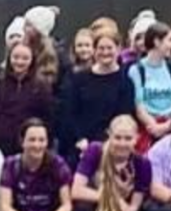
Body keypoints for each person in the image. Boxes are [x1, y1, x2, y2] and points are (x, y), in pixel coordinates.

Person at [56, 34, 134, 164]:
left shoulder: (125, 82)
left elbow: (123, 116)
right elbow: (70, 112)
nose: (105, 52)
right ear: (94, 50)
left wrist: (105, 143)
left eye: (109, 48)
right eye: (101, 48)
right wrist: (80, 139)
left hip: (112, 146)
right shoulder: (79, 79)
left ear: (118, 49)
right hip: (81, 146)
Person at [0, 37, 55, 157]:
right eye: (16, 57)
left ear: (32, 60)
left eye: (25, 58)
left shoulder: (41, 86)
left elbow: (48, 117)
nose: (19, 62)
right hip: (3, 143)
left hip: (30, 143)